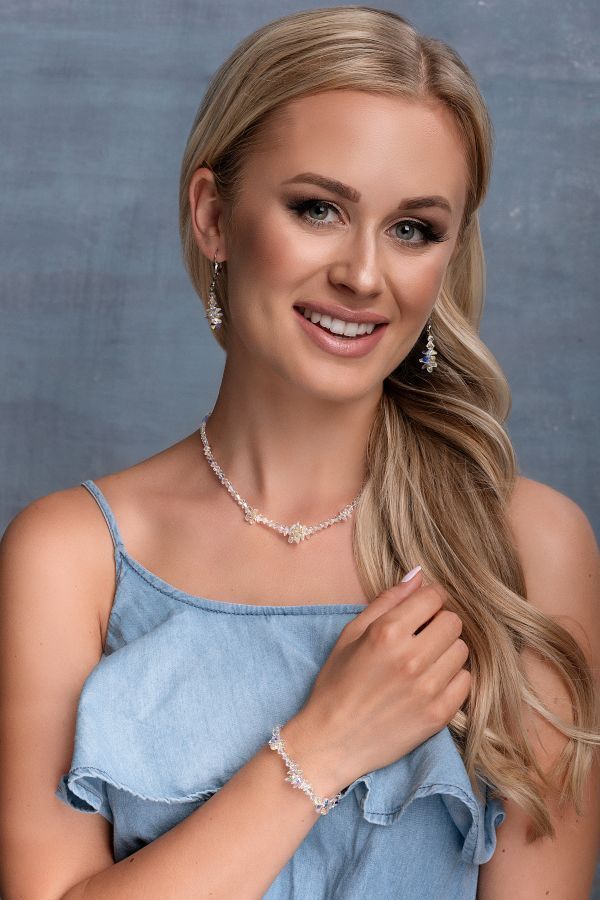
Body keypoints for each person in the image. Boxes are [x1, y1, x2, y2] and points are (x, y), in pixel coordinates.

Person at [1, 6, 598, 898]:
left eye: (412, 229)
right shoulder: (71, 556)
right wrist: (322, 746)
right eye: (319, 209)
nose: (363, 274)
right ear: (213, 216)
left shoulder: (526, 550)